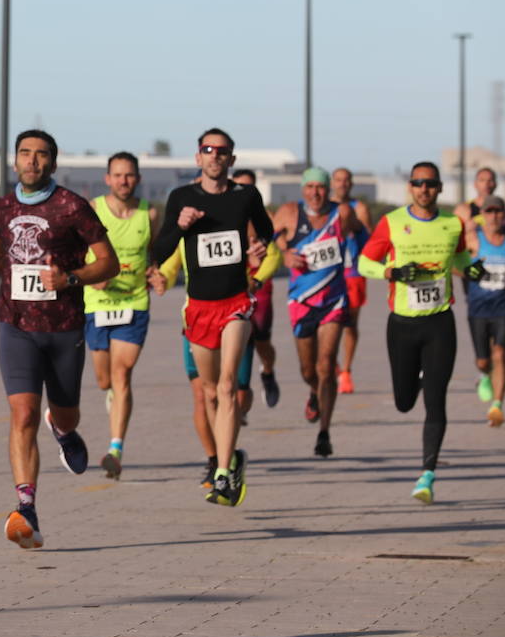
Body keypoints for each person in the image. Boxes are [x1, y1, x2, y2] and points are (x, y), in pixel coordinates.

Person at [0, 129, 118, 549]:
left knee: (65, 413)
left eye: (41, 154)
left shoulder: (72, 207)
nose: (32, 161)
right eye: (25, 153)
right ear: (14, 161)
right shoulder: (4, 206)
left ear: (52, 161)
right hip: (15, 326)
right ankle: (25, 506)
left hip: (64, 326)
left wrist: (70, 277)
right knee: (22, 414)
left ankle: (63, 431)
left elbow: (109, 263)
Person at [151, 128, 273, 507]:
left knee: (226, 387)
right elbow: (160, 248)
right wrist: (181, 226)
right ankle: (232, 458)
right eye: (208, 149)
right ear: (198, 157)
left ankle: (222, 475)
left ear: (232, 160)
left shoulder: (245, 196)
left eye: (222, 151)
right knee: (207, 392)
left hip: (235, 302)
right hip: (199, 308)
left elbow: (265, 229)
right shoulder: (182, 197)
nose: (215, 156)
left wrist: (259, 244)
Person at [358, 161, 484, 504]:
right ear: (410, 188)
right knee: (403, 402)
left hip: (440, 322)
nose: (424, 189)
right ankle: (420, 377)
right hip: (402, 324)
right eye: (418, 183)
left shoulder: (451, 224)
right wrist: (392, 271)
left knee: (436, 400)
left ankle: (427, 474)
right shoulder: (393, 222)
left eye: (430, 183)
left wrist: (474, 270)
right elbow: (363, 263)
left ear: (440, 188)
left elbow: (458, 261)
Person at [273, 167, 363, 458]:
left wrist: (369, 262)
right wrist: (284, 254)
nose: (315, 192)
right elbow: (269, 244)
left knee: (326, 365)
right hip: (301, 302)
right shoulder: (288, 212)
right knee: (308, 370)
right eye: (310, 187)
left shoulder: (343, 214)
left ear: (329, 190)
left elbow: (365, 237)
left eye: (321, 187)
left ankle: (324, 432)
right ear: (302, 189)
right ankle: (314, 392)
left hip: (334, 301)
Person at [82, 151, 160, 479]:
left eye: (129, 175)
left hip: (134, 301)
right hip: (98, 304)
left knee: (122, 372)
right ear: (107, 179)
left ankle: (116, 448)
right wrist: (90, 273)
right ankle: (112, 394)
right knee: (104, 380)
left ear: (137, 179)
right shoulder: (93, 210)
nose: (123, 181)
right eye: (117, 175)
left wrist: (156, 271)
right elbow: (73, 250)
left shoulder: (150, 214)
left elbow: (154, 250)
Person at [462, 194, 505, 427]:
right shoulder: (473, 240)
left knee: (500, 354)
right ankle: (483, 375)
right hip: (478, 309)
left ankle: (497, 405)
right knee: (483, 361)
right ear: (482, 215)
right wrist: (467, 272)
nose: (494, 216)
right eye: (489, 211)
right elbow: (454, 263)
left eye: (498, 212)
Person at [232, 169, 281, 409]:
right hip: (232, 283)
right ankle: (238, 393)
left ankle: (268, 372)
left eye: (248, 187)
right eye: (238, 186)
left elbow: (275, 254)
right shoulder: (223, 213)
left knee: (260, 336)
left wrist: (257, 278)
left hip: (259, 283)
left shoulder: (263, 218)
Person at [330, 167, 373, 394]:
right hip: (329, 272)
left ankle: (346, 370)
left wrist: (354, 223)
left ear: (351, 183)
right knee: (326, 322)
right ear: (332, 182)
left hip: (353, 271)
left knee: (350, 324)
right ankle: (333, 365)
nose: (342, 184)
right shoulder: (323, 207)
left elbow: (369, 237)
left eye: (346, 180)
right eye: (338, 179)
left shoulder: (360, 207)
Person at [456, 167, 505, 244]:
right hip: (473, 253)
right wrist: (467, 228)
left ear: (495, 184)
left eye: (490, 180)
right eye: (482, 180)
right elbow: (454, 236)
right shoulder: (464, 209)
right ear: (475, 184)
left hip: (498, 253)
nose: (487, 184)